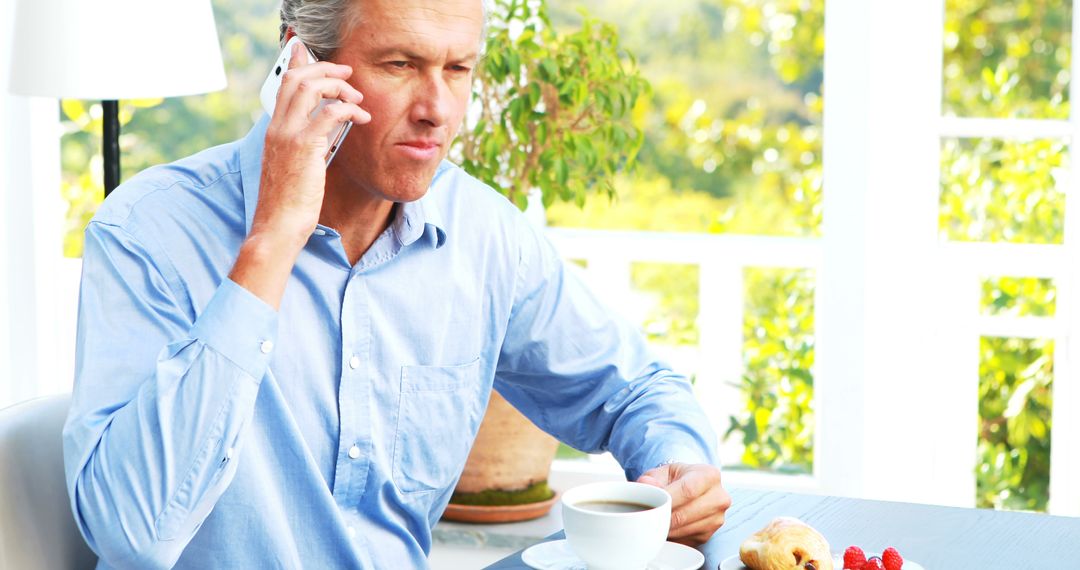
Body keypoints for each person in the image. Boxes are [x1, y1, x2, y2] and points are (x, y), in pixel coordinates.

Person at [63, 0, 732, 567]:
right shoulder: (148, 231)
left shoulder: (483, 237)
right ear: (300, 64)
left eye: (459, 69)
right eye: (400, 65)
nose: (438, 110)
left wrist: (681, 466)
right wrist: (270, 244)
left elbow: (635, 390)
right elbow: (133, 531)